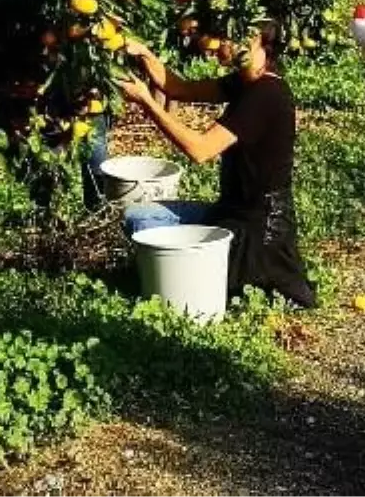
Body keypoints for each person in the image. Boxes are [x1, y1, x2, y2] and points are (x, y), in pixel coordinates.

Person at [117, 20, 316, 309]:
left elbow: (200, 150)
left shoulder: (266, 95)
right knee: (141, 217)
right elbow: (180, 88)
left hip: (256, 230)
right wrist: (145, 54)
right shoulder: (244, 81)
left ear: (256, 41)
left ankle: (190, 283)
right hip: (228, 212)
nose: (218, 44)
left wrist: (147, 102)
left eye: (228, 37)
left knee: (148, 228)